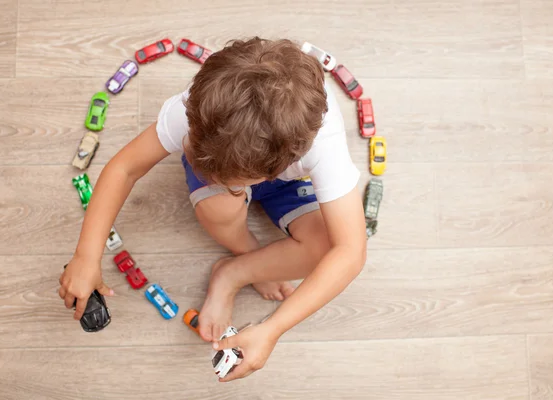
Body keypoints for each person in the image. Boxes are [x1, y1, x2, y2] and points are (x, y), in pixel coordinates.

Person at [59, 37, 367, 382]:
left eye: (235, 180)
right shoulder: (198, 110)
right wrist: (87, 255)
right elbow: (124, 168)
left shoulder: (324, 144)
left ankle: (233, 273)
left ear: (268, 171)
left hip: (286, 175)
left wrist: (272, 328)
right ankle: (245, 251)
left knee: (325, 247)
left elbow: (350, 252)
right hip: (225, 154)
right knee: (218, 207)